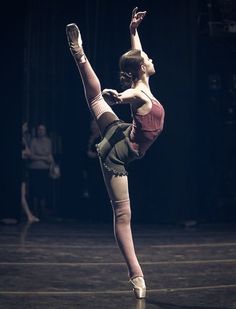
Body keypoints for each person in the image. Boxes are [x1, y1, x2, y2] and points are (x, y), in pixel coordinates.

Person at [66, 7, 165, 299]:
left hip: (120, 131)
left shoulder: (143, 82)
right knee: (123, 214)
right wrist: (119, 97)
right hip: (117, 152)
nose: (150, 59)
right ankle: (136, 275)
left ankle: (80, 55)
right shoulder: (137, 93)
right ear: (142, 69)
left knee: (94, 99)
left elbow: (138, 56)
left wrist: (133, 30)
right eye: (147, 60)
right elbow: (128, 96)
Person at [28, 124, 54, 219]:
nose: (41, 131)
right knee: (35, 191)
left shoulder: (48, 141)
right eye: (39, 129)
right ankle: (35, 212)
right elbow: (31, 156)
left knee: (43, 191)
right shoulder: (33, 141)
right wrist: (43, 157)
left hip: (45, 169)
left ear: (45, 131)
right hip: (34, 169)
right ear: (37, 131)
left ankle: (42, 213)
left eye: (42, 129)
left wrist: (38, 156)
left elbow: (49, 156)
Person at [21, 122, 39, 223]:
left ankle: (29, 215)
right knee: (22, 194)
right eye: (25, 126)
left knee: (23, 193)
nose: (26, 128)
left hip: (23, 168)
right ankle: (29, 215)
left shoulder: (23, 138)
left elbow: (28, 153)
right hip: (20, 168)